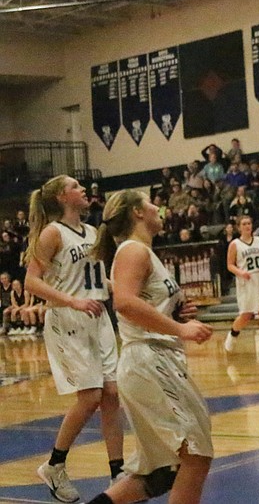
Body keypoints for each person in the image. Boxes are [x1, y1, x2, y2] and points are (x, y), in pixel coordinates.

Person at [86, 190, 215, 504]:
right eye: (150, 202)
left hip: (155, 358)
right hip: (148, 360)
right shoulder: (134, 251)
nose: (158, 206)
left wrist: (174, 314)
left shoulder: (144, 251)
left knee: (159, 475)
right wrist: (180, 328)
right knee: (195, 455)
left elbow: (141, 304)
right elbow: (125, 303)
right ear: (137, 212)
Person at [24, 175, 124, 503]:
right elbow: (31, 283)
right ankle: (54, 465)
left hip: (98, 318)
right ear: (64, 197)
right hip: (68, 318)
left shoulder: (93, 232)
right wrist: (72, 301)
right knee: (91, 396)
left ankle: (118, 471)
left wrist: (127, 291)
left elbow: (95, 278)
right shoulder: (53, 233)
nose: (83, 190)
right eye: (77, 187)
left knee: (111, 393)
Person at [223, 216, 259, 357]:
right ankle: (232, 334)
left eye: (249, 223)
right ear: (239, 227)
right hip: (247, 279)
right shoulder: (235, 244)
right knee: (246, 314)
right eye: (244, 224)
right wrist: (240, 272)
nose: (247, 226)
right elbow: (230, 265)